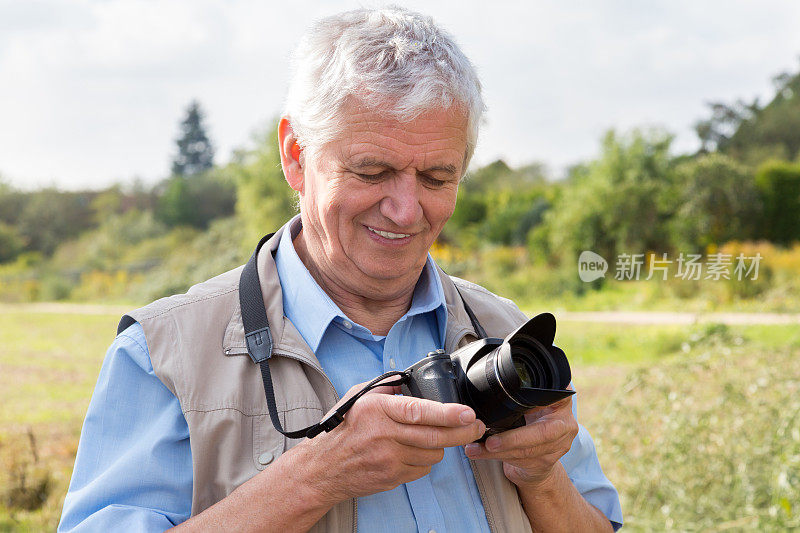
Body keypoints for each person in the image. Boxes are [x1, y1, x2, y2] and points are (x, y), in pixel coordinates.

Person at [59, 7, 623, 532]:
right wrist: (318, 474)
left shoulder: (505, 330)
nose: (406, 210)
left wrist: (541, 477)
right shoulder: (163, 354)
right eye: (371, 171)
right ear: (295, 155)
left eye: (436, 178)